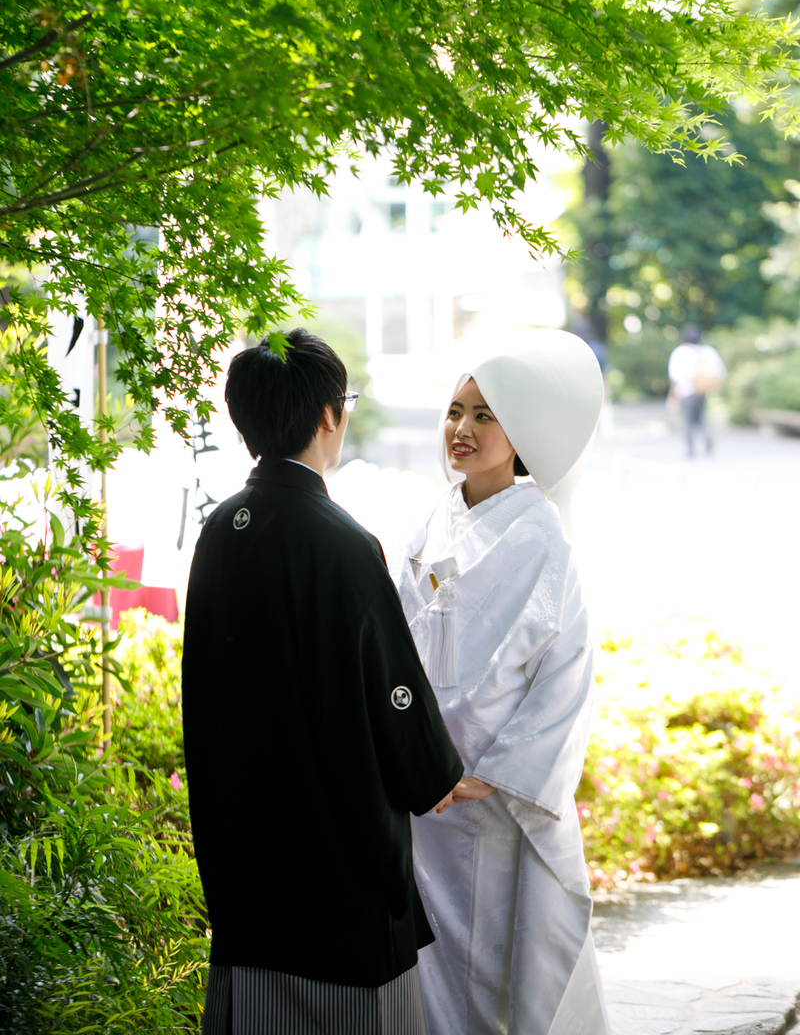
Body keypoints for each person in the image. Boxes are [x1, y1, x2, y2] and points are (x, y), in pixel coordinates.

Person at [182, 329, 463, 1035]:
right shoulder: (341, 540)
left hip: (243, 847)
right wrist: (434, 773)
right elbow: (391, 690)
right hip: (337, 857)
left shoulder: (218, 530)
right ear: (328, 416)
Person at [391, 329, 610, 1035]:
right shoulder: (435, 518)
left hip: (493, 796)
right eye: (456, 410)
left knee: (491, 963)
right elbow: (398, 641)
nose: (462, 429)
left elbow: (566, 671)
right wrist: (409, 750)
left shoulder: (540, 535)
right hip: (429, 789)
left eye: (485, 415)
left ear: (520, 435)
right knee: (431, 962)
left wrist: (500, 770)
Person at [668, 324, 726, 456]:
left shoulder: (680, 352)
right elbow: (720, 372)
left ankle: (690, 449)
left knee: (688, 421)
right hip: (703, 391)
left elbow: (674, 375)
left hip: (686, 391)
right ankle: (706, 435)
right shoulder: (708, 351)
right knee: (699, 418)